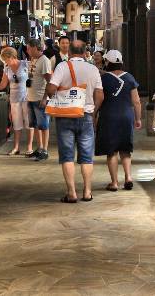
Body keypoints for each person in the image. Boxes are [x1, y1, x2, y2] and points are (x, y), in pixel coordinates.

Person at [46, 40, 104, 203]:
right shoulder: (93, 69)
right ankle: (87, 191)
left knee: (67, 156)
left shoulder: (62, 67)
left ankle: (71, 193)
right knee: (87, 157)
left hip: (65, 116)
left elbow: (51, 89)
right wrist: (93, 112)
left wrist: (56, 97)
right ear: (86, 52)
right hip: (86, 116)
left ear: (69, 52)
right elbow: (100, 95)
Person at [95, 50, 142, 191]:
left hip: (108, 116)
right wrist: (138, 118)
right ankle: (128, 178)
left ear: (107, 62)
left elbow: (99, 98)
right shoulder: (129, 78)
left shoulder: (103, 79)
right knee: (125, 149)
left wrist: (94, 114)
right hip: (126, 116)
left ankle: (114, 183)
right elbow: (137, 101)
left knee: (112, 151)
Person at [0, 47, 33, 155]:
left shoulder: (26, 64)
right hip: (14, 98)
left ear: (12, 57)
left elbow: (35, 78)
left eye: (6, 59)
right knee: (16, 123)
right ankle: (16, 147)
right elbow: (3, 84)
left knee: (29, 123)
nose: (5, 61)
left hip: (27, 97)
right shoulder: (7, 68)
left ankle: (29, 147)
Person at [25, 38, 52, 161]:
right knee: (34, 125)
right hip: (31, 96)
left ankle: (45, 150)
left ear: (36, 48)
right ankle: (39, 147)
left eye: (29, 48)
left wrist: (45, 98)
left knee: (43, 125)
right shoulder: (33, 59)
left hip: (40, 97)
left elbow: (49, 81)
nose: (27, 50)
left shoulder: (44, 61)